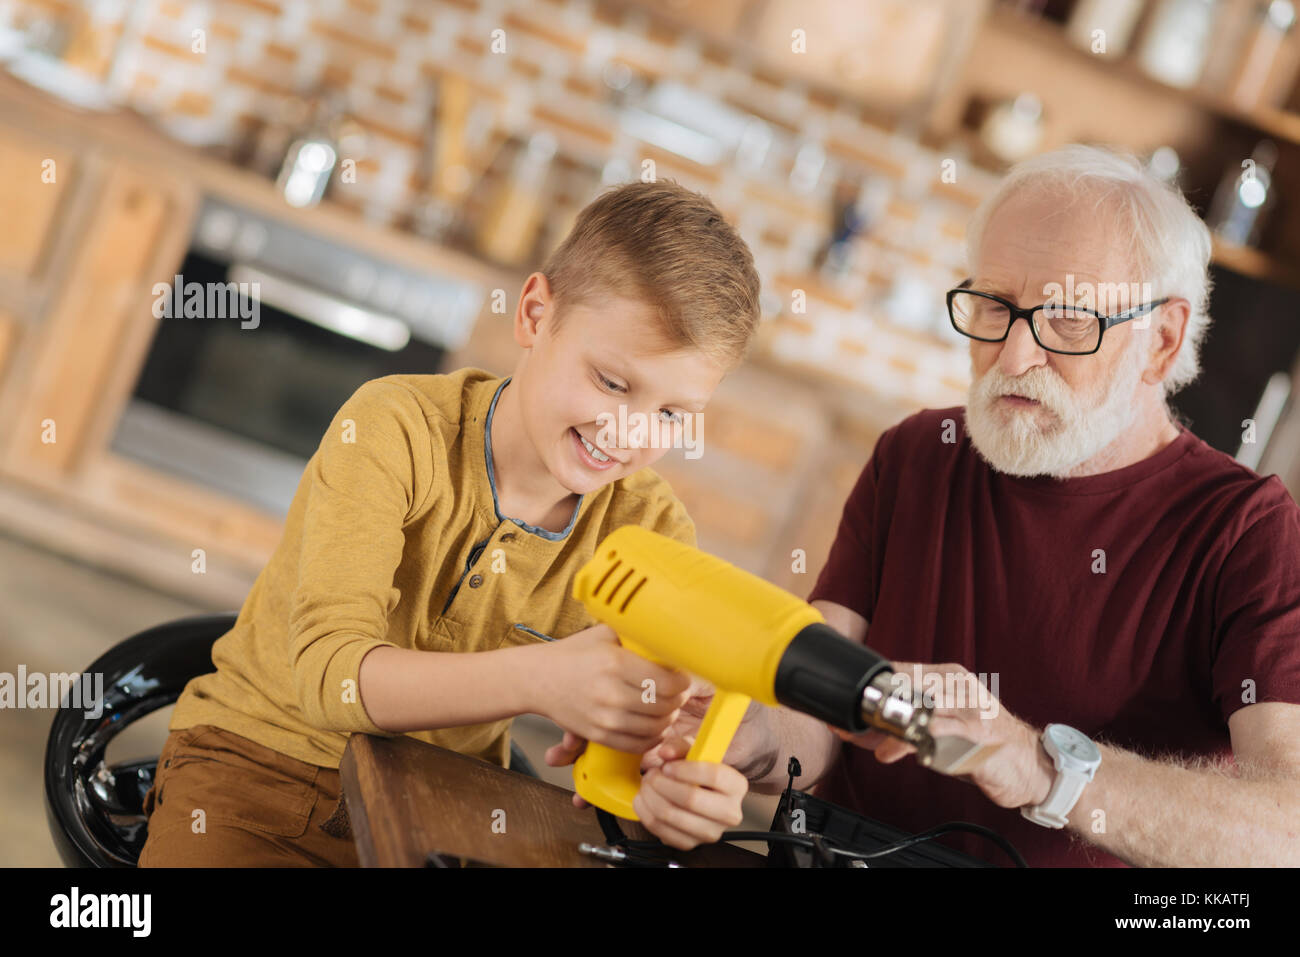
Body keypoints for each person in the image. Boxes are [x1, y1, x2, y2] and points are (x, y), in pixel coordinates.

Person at [139, 180, 760, 866]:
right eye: (613, 383)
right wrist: (542, 678)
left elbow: (640, 738)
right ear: (533, 314)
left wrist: (672, 784)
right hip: (260, 771)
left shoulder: (652, 533)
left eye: (671, 414)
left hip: (444, 808)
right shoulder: (394, 426)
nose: (629, 432)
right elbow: (329, 677)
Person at [712, 144, 1300, 867]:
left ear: (1162, 341)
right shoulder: (919, 453)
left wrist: (1039, 767)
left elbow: (1286, 829)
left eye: (1067, 320)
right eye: (996, 305)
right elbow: (816, 717)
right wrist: (741, 742)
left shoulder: (1246, 531)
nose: (1015, 355)